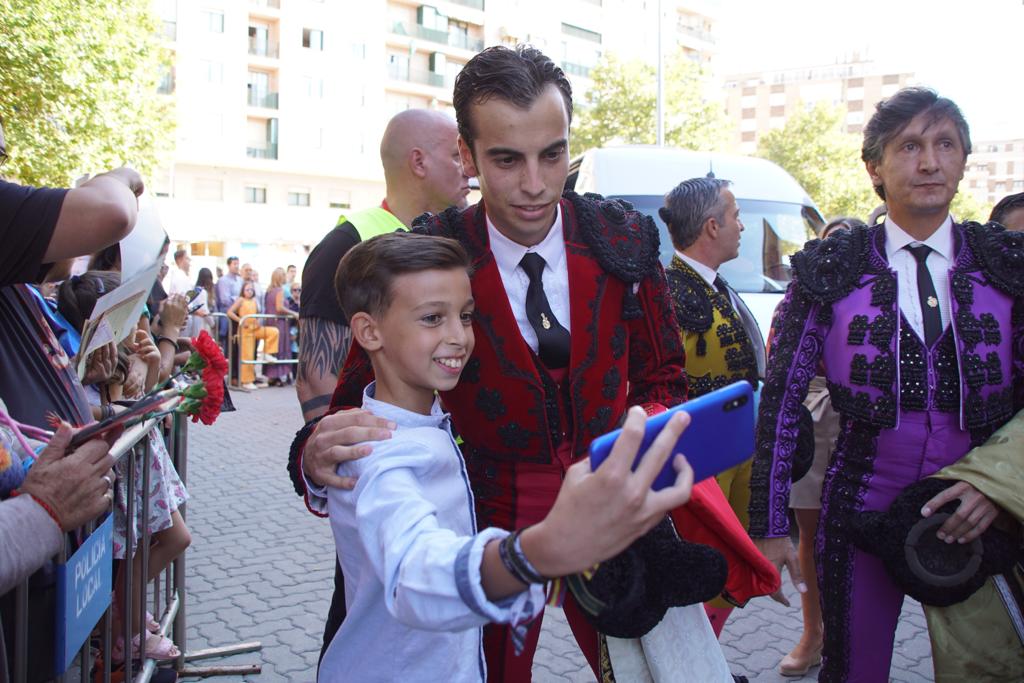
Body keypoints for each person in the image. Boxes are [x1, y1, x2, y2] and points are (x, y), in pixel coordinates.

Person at [295, 45, 769, 682]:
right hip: (480, 511)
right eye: (506, 159)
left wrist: (648, 446)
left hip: (607, 496)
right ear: (466, 156)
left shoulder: (620, 237)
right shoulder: (434, 250)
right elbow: (360, 394)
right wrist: (314, 453)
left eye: (553, 154)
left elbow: (664, 376)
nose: (537, 183)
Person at [321, 231, 698, 682]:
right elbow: (416, 575)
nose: (458, 337)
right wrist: (539, 551)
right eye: (431, 319)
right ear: (369, 331)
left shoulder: (430, 423)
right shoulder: (378, 453)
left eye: (465, 316)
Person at [748, 87, 1024, 682]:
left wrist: (1001, 490)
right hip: (859, 502)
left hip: (980, 504)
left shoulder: (1007, 261)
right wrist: (770, 526)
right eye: (909, 146)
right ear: (875, 166)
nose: (929, 162)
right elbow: (782, 399)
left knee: (992, 668)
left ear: (963, 158)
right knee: (854, 670)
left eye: (944, 144)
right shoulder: (832, 265)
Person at [296, 108, 471, 423]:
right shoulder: (345, 245)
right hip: (384, 452)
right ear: (419, 162)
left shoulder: (462, 240)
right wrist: (343, 462)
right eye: (457, 156)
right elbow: (316, 380)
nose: (469, 170)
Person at [659, 177, 766, 638]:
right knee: (703, 570)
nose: (741, 226)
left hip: (731, 454)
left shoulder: (713, 285)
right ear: (710, 226)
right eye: (735, 215)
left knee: (721, 574)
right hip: (699, 465)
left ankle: (708, 658)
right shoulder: (671, 292)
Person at [774, 216, 864, 677]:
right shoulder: (803, 291)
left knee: (861, 536)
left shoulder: (878, 291)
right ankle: (813, 633)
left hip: (865, 419)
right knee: (808, 535)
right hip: (812, 409)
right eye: (832, 243)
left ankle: (853, 633)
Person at [227, 281, 279, 391]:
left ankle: (267, 352)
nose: (250, 291)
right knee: (247, 355)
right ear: (243, 290)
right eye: (247, 289)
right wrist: (241, 321)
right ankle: (246, 380)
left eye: (251, 289)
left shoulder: (255, 301)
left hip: (255, 328)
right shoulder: (241, 300)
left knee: (273, 332)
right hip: (245, 331)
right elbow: (230, 312)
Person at [264, 266, 296, 386]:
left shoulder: (269, 290)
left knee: (273, 349)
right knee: (281, 348)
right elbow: (279, 307)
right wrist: (294, 313)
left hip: (271, 322)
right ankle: (278, 374)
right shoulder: (279, 291)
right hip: (280, 323)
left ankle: (272, 375)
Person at [183, 267, 215, 339]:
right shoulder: (202, 292)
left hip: (194, 321)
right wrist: (212, 323)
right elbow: (204, 310)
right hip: (202, 323)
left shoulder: (194, 289)